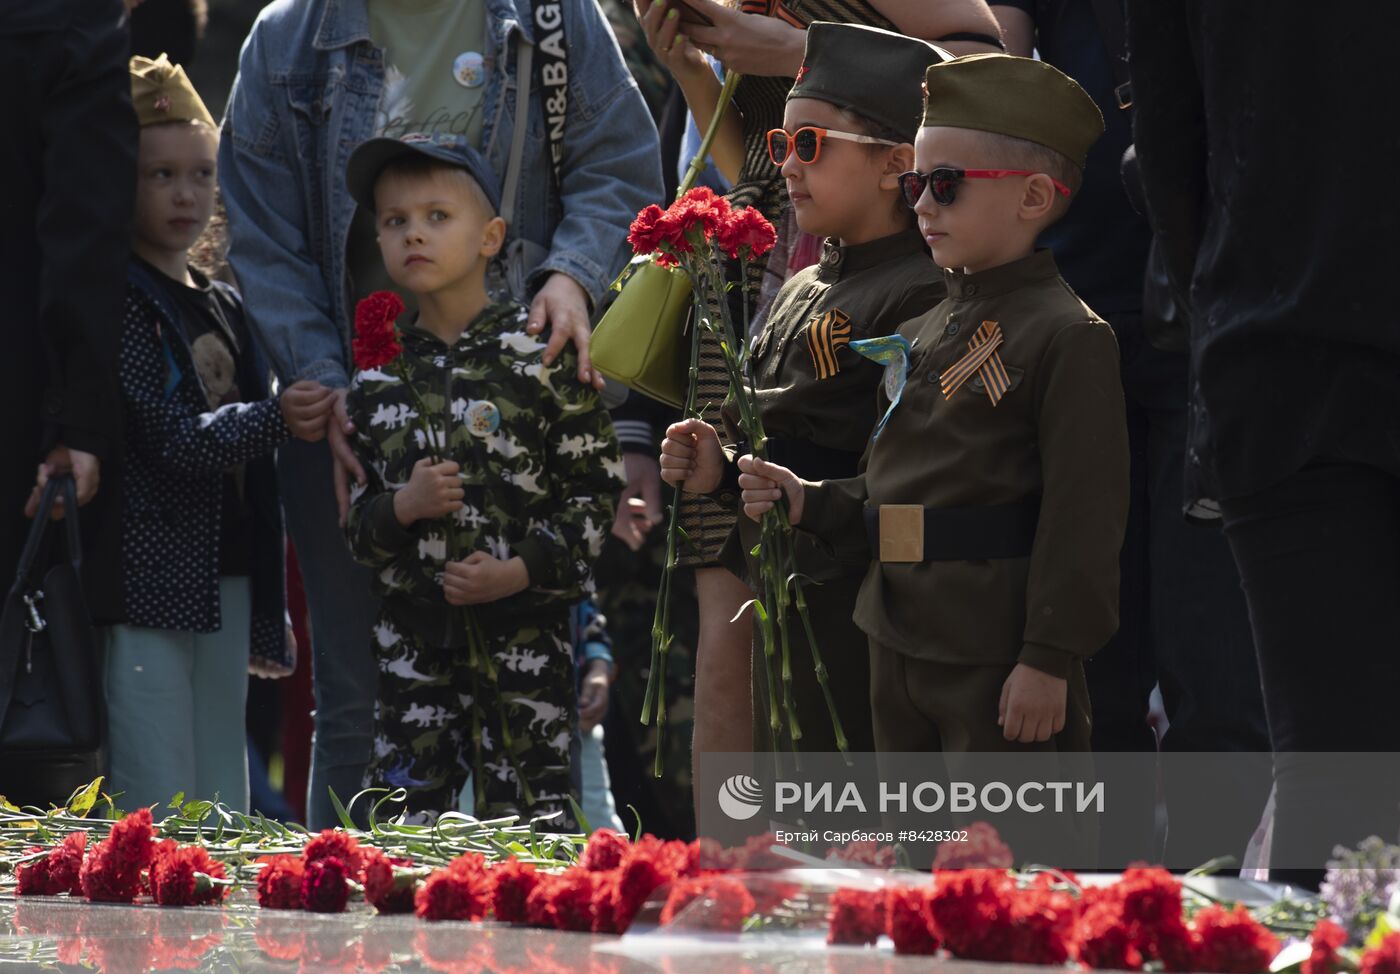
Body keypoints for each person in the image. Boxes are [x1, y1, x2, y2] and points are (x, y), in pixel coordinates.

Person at [219, 0, 660, 829]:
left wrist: (571, 275)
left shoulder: (552, 17)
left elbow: (622, 161)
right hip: (352, 419)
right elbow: (264, 238)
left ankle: (525, 936)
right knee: (356, 701)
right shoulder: (286, 40)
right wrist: (328, 386)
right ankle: (348, 940)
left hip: (518, 408)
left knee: (525, 699)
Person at [633, 0, 1004, 793]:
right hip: (772, 300)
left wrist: (797, 49)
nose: (790, 158)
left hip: (861, 570)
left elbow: (994, 78)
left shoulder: (928, 294)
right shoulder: (803, 259)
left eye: (807, 143)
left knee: (844, 707)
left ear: (895, 162)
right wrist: (720, 465)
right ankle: (731, 886)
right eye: (785, 141)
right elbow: (759, 173)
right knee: (736, 659)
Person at [738, 54, 1128, 758]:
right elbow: (894, 486)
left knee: (1006, 862)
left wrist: (1049, 655)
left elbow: (1084, 518)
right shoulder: (924, 328)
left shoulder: (1068, 334)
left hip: (995, 653)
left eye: (945, 185)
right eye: (917, 182)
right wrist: (810, 502)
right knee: (910, 865)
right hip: (894, 638)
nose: (920, 205)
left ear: (1033, 198)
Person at [991, 0, 1269, 868]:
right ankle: (1092, 914)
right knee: (1083, 659)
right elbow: (1000, 75)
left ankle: (1210, 915)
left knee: (1215, 666)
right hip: (1069, 311)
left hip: (1215, 309)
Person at [1127, 0, 1400, 884]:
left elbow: (1172, 141)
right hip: (1284, 354)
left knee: (1334, 783)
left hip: (1280, 341)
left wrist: (1228, 295)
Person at [342, 133, 622, 826]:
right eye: (395, 220)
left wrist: (519, 572)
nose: (415, 234)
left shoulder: (541, 353)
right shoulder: (376, 377)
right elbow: (356, 525)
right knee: (400, 836)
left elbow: (595, 496)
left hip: (525, 646)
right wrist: (401, 509)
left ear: (490, 235)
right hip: (414, 653)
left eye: (438, 217)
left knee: (536, 836)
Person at [103, 55, 313, 812]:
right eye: (159, 175)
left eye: (199, 173)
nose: (185, 193)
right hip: (148, 582)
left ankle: (220, 937)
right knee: (155, 792)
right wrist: (277, 416)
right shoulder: (121, 300)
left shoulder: (224, 301)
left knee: (224, 794)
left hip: (227, 572)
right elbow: (168, 437)